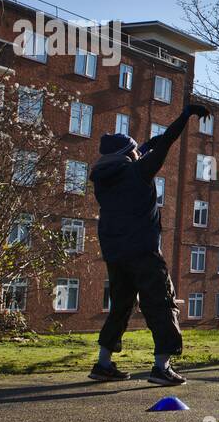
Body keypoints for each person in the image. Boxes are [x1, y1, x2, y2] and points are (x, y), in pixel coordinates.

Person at [87, 101, 211, 385]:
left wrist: (144, 145)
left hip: (116, 255)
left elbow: (141, 149)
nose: (137, 152)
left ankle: (103, 363)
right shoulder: (138, 172)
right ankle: (161, 367)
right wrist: (184, 115)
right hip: (143, 252)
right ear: (127, 155)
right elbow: (166, 143)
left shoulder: (104, 180)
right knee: (161, 304)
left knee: (120, 306)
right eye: (133, 151)